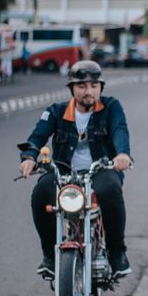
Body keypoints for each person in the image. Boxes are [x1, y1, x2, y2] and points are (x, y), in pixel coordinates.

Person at [18, 60, 133, 279]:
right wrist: (29, 158)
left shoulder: (111, 107)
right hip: (64, 172)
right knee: (42, 192)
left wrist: (122, 154)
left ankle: (117, 253)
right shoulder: (56, 111)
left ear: (100, 87)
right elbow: (36, 137)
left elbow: (120, 130)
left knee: (110, 188)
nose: (88, 91)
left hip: (101, 170)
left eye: (93, 86)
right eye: (82, 86)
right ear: (72, 89)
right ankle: (50, 255)